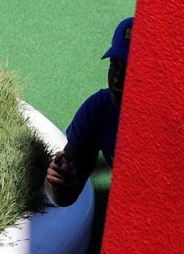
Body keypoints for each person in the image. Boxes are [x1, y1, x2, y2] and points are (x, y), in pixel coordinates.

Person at [46, 16, 132, 207]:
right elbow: (65, 196)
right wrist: (58, 181)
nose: (117, 81)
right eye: (114, 66)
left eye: (129, 71)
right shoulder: (100, 109)